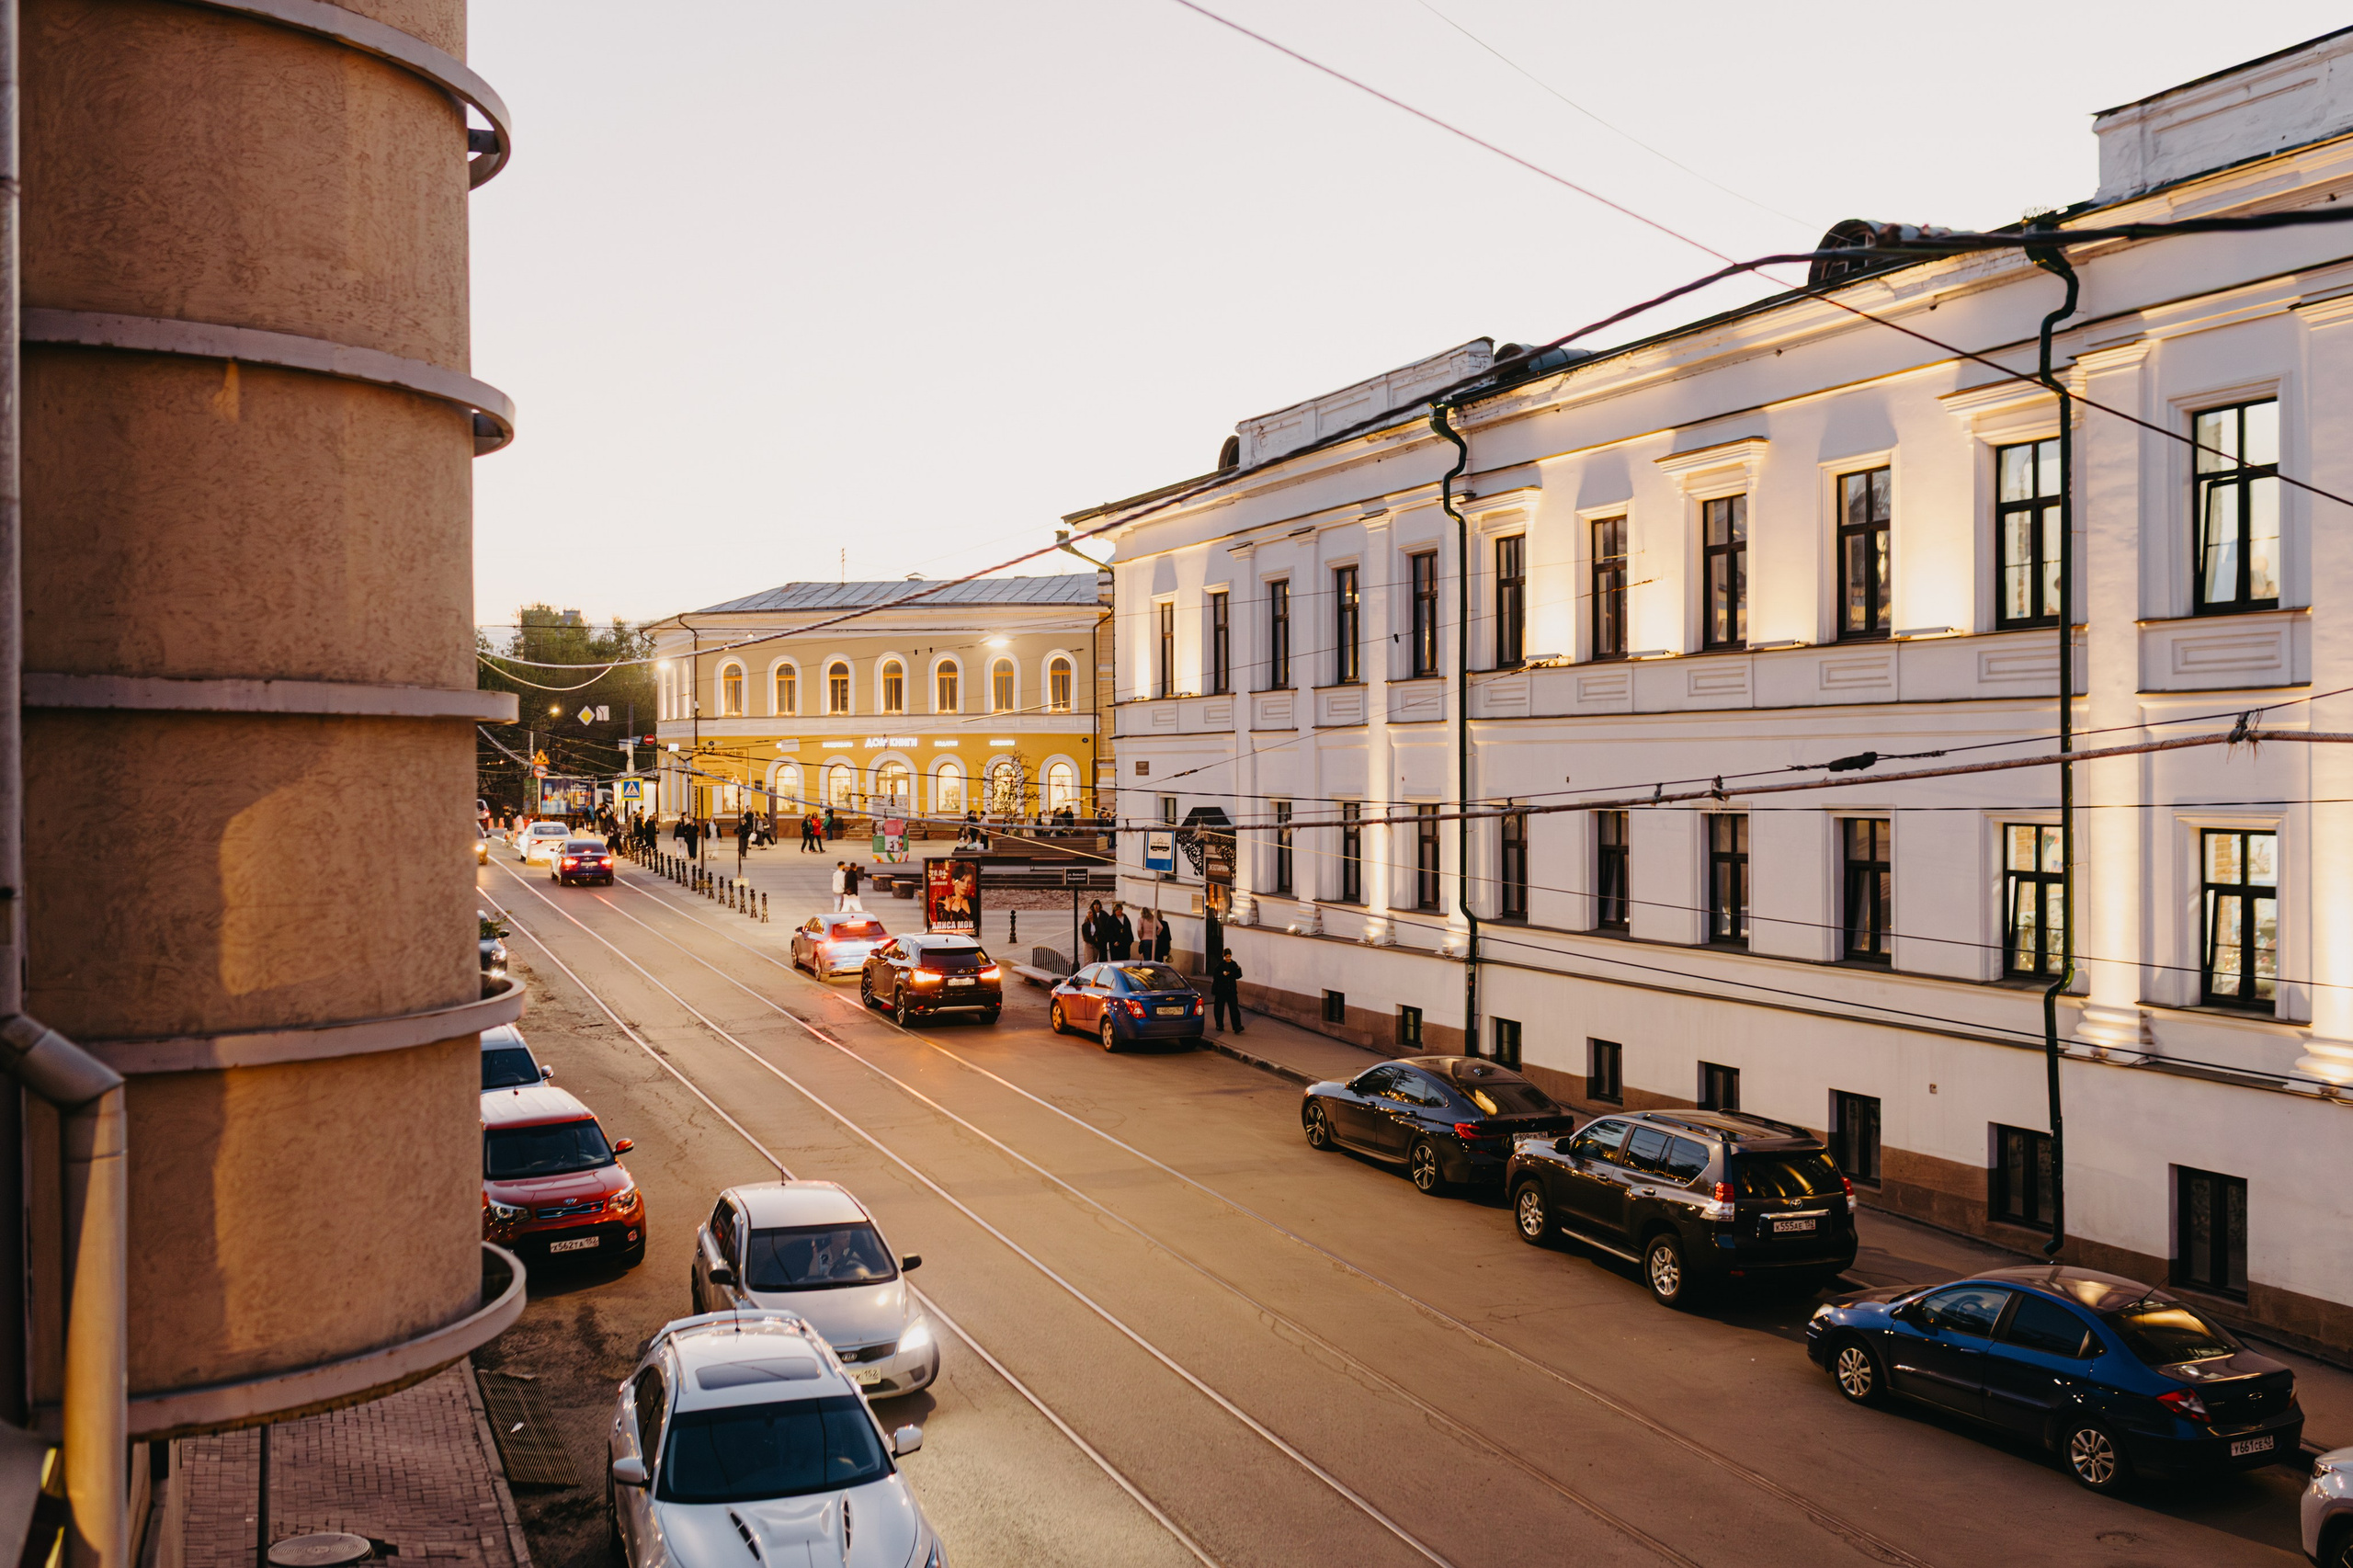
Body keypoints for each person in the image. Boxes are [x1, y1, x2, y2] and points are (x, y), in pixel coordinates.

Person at [1211, 949, 1245, 1033]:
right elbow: (1215, 976)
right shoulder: (1220, 965)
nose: (1228, 958)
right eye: (1226, 957)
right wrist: (1222, 974)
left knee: (1234, 1008)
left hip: (1231, 990)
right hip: (1221, 991)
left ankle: (1237, 1026)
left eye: (1229, 957)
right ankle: (1219, 1025)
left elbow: (1238, 976)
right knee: (1219, 1008)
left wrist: (1238, 969)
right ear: (1224, 956)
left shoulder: (1233, 964)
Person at [1082, 900, 1106, 965]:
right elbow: (1085, 937)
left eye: (1090, 913)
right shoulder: (1085, 925)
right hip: (1088, 943)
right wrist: (1093, 939)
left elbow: (1101, 932)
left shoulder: (1098, 923)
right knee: (1089, 961)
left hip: (1096, 944)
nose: (1089, 914)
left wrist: (1098, 939)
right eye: (1088, 913)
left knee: (1095, 961)